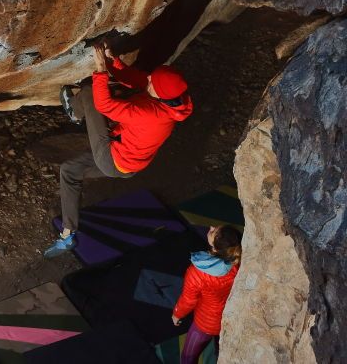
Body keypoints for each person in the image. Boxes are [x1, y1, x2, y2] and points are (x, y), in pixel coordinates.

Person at [44, 43, 193, 257]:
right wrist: (112, 61)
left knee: (89, 92)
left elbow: (104, 105)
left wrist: (100, 69)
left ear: (159, 93)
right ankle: (68, 235)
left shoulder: (151, 114)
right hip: (127, 164)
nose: (148, 78)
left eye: (152, 80)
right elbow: (138, 80)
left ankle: (75, 113)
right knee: (69, 170)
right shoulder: (174, 101)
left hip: (111, 158)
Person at [172, 225, 242, 364]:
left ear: (215, 247)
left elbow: (188, 299)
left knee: (187, 358)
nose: (211, 227)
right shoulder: (237, 263)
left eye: (213, 231)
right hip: (230, 317)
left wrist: (177, 314)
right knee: (222, 349)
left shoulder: (197, 272)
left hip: (205, 323)